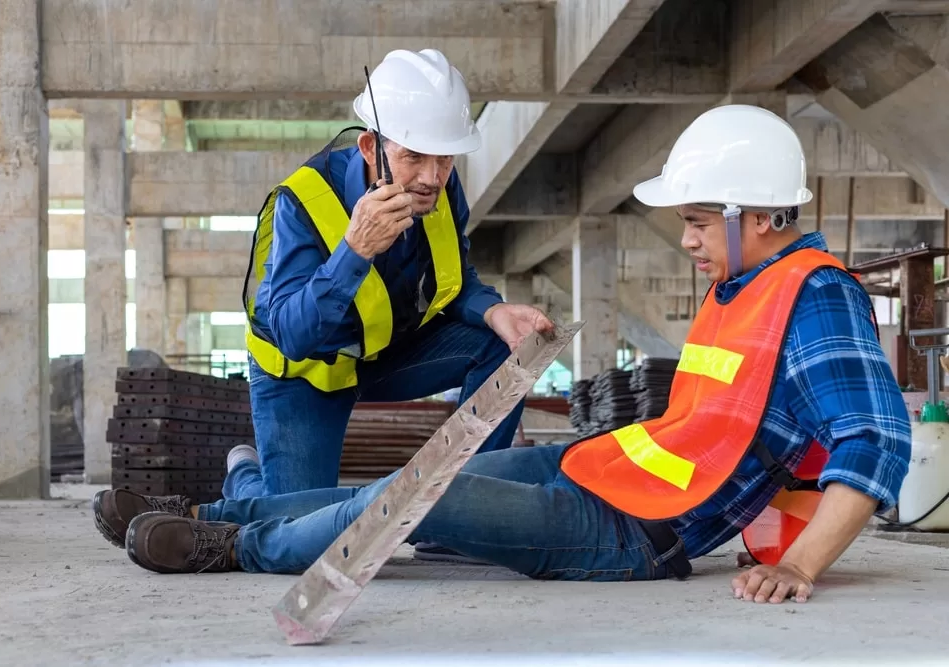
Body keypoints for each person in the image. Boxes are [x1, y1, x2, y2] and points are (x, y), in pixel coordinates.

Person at [94, 104, 911, 604]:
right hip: (603, 469)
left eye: (698, 221)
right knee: (406, 480)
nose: (689, 239)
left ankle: (232, 547)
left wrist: (799, 564)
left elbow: (876, 441)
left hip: (634, 535)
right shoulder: (742, 283)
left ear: (756, 216)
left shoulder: (814, 293)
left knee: (423, 500)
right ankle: (211, 514)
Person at [228, 46, 553, 562]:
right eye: (413, 156)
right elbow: (292, 333)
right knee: (299, 537)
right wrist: (353, 251)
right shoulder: (300, 202)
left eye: (445, 157)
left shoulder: (442, 191)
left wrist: (493, 310)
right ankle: (245, 477)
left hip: (383, 353)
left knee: (502, 344)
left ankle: (458, 518)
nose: (431, 176)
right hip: (305, 372)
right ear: (368, 147)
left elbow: (456, 279)